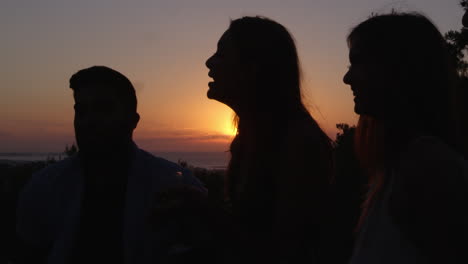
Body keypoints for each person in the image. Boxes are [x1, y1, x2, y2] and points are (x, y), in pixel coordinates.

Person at [15, 66, 205, 264]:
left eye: (103, 109)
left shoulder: (173, 187)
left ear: (133, 120)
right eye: (81, 111)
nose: (89, 121)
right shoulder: (44, 186)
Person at [205, 16, 335, 263]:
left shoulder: (298, 143)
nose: (209, 62)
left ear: (253, 67)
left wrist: (204, 213)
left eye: (221, 55)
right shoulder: (249, 138)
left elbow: (286, 247)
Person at [343, 12, 468, 263]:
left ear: (397, 68)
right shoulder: (393, 168)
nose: (347, 78)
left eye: (358, 63)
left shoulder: (429, 168)